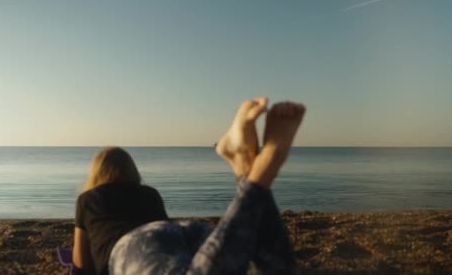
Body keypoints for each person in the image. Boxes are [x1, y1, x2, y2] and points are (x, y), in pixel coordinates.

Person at [74, 97, 306, 274]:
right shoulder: (148, 193)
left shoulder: (88, 199)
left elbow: (81, 264)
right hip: (183, 235)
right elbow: (164, 231)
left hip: (133, 247)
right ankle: (243, 166)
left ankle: (258, 176)